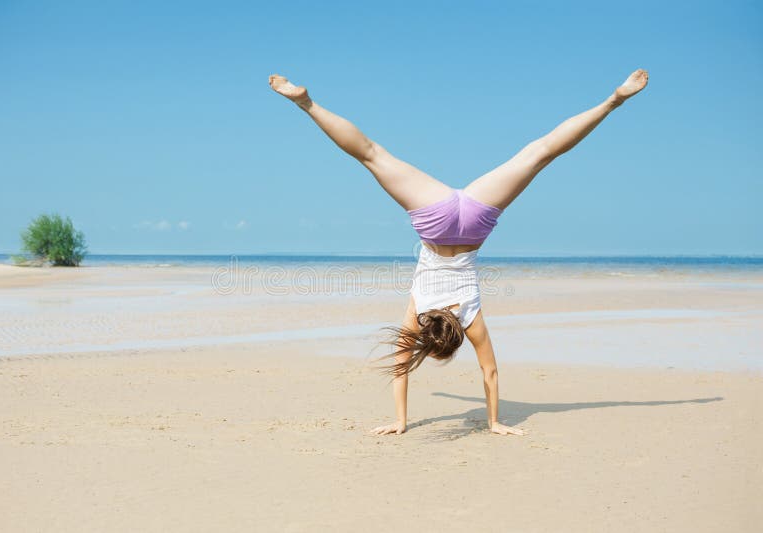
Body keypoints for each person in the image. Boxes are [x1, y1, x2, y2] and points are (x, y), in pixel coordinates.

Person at [268, 68, 649, 436]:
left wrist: (493, 421)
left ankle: (613, 101)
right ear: (429, 338)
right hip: (433, 217)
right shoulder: (417, 313)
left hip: (475, 222)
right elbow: (401, 368)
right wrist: (400, 419)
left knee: (540, 154)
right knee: (371, 155)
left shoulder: (469, 318)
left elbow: (490, 373)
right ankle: (307, 104)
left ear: (455, 339)